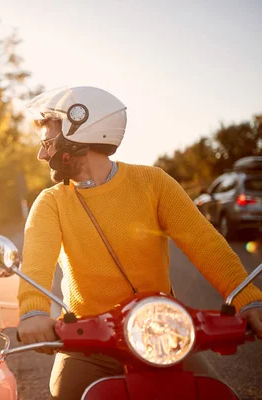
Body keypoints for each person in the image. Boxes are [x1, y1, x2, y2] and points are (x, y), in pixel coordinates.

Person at [16, 86, 262, 400]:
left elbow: (205, 243)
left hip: (160, 332)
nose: (42, 154)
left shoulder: (153, 182)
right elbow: (35, 263)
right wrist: (33, 312)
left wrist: (248, 299)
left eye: (47, 143)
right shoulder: (50, 202)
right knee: (66, 393)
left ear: (76, 138)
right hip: (86, 342)